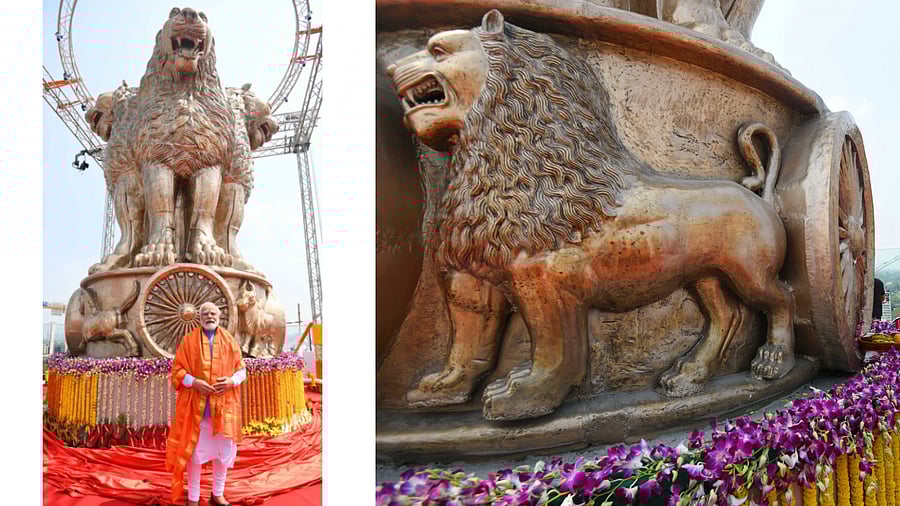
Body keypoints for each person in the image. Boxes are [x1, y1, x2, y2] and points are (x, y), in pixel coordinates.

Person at [166, 302, 247, 506]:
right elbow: (177, 371)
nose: (209, 316)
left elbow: (242, 370)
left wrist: (231, 382)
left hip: (224, 410)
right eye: (205, 314)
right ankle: (193, 499)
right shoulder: (188, 341)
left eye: (213, 313)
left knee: (222, 455)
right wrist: (194, 382)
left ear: (219, 317)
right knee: (195, 456)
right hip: (197, 410)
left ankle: (217, 494)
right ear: (199, 318)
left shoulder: (229, 341)